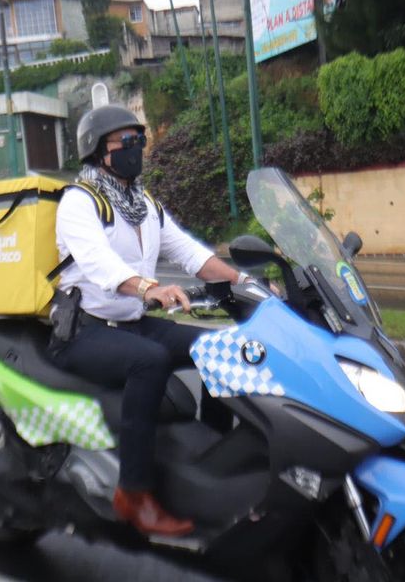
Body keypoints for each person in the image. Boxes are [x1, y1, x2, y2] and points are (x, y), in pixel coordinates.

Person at [49, 105, 249, 537]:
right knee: (149, 361)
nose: (136, 148)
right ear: (98, 150)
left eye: (139, 140)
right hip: (84, 329)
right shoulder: (79, 202)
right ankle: (133, 493)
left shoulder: (144, 205)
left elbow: (190, 253)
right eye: (126, 142)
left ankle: (209, 460)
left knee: (221, 348)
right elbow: (98, 263)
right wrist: (147, 288)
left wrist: (246, 283)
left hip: (133, 322)